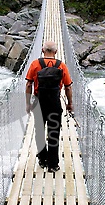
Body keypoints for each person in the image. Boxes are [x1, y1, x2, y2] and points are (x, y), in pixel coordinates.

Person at [25, 41, 73, 172]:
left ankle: (42, 159)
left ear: (42, 50)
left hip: (39, 103)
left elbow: (29, 84)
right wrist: (70, 104)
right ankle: (53, 164)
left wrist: (27, 103)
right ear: (56, 52)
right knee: (54, 132)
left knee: (40, 132)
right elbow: (68, 86)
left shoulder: (35, 64)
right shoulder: (61, 65)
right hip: (54, 103)